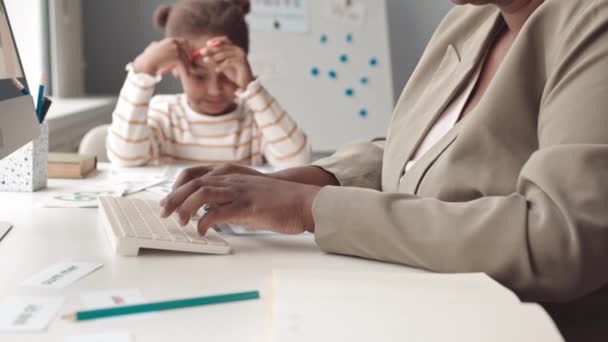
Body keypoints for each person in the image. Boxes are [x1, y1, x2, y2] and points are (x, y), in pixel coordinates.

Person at [161, 0, 608, 340]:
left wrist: (312, 208)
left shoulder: (593, 22)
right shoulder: (471, 19)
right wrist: (301, 181)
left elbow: (558, 238)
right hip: (422, 302)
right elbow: (408, 151)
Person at [106, 0, 311, 168]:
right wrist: (143, 69)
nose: (215, 90)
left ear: (243, 65)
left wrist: (250, 86)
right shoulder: (163, 113)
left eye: (226, 75)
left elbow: (297, 163)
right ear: (175, 68)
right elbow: (125, 158)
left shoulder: (256, 121)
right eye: (199, 76)